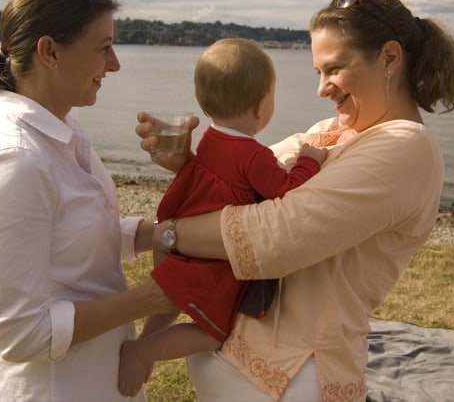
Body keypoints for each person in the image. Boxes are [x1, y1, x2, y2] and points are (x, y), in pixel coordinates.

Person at [136, 0, 454, 401]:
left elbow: (274, 236)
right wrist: (188, 165)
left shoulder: (407, 148)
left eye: (334, 69)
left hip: (289, 376)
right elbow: (240, 189)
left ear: (389, 58)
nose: (322, 88)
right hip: (240, 354)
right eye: (318, 71)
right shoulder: (329, 133)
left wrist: (165, 233)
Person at [0, 0, 173, 402]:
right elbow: (20, 333)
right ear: (49, 51)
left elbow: (73, 235)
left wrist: (163, 233)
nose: (114, 63)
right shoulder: (13, 162)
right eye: (103, 47)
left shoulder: (64, 129)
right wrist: (148, 299)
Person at [117, 38, 328, 396]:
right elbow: (284, 190)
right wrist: (310, 159)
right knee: (212, 331)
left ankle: (150, 337)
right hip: (212, 258)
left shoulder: (211, 138)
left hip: (183, 238)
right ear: (263, 107)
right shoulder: (253, 155)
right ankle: (142, 351)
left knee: (170, 299)